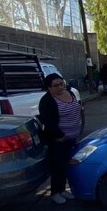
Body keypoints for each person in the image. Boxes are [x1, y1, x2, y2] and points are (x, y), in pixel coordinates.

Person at [38, 73, 83, 204]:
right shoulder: (47, 101)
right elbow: (48, 121)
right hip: (58, 140)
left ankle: (63, 189)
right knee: (57, 166)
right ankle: (55, 192)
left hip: (72, 137)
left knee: (67, 165)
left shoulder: (70, 93)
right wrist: (59, 136)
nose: (60, 87)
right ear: (49, 88)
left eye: (61, 84)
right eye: (56, 85)